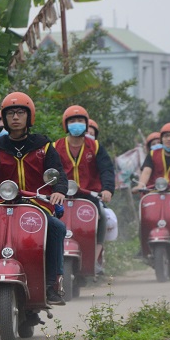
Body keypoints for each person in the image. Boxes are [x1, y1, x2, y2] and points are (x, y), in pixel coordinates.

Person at [0, 91, 68, 305]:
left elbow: (58, 173)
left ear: (30, 117)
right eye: (10, 113)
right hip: (0, 207)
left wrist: (58, 190)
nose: (16, 117)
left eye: (21, 112)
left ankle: (51, 284)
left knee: (56, 228)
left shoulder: (43, 146)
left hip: (36, 206)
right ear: (4, 117)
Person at [53, 105, 118, 248]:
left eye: (80, 120)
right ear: (66, 124)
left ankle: (96, 256)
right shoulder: (56, 146)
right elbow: (49, 170)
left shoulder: (95, 146)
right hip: (60, 196)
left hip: (89, 196)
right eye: (72, 120)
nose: (77, 123)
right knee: (49, 220)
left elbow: (106, 169)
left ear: (87, 124)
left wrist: (107, 189)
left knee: (101, 216)